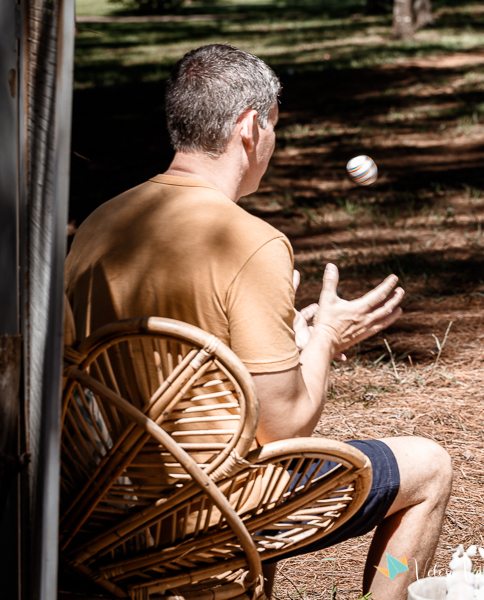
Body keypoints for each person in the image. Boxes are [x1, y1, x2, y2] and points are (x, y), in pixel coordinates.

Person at [65, 43, 452, 600]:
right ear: (250, 126)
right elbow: (286, 424)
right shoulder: (251, 241)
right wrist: (324, 340)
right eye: (274, 127)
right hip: (210, 507)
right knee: (430, 467)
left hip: (102, 501)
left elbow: (164, 362)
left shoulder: (101, 223)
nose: (274, 143)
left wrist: (290, 334)